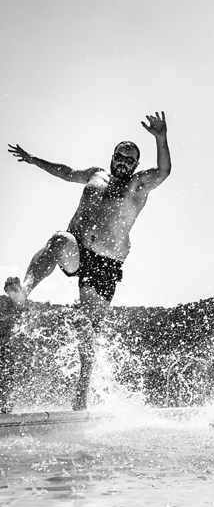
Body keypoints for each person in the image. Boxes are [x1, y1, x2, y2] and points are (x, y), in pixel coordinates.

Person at [3, 112, 171, 410]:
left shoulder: (138, 185)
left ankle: (81, 395)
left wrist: (160, 138)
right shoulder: (95, 175)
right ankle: (24, 292)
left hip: (105, 264)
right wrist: (32, 159)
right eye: (119, 155)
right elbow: (65, 172)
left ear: (134, 164)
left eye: (128, 159)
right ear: (112, 156)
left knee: (86, 327)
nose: (122, 161)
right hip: (78, 249)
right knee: (58, 239)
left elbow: (163, 171)